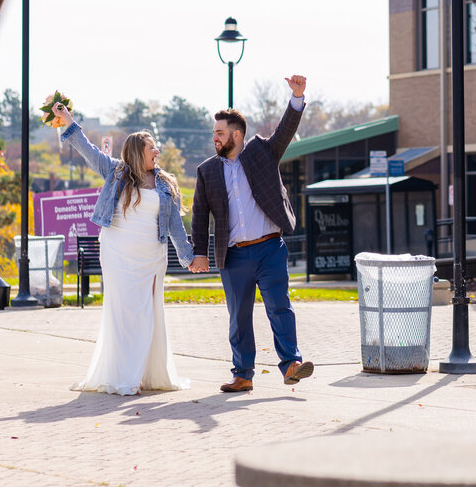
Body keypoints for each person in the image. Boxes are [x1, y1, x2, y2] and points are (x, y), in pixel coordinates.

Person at [55, 102, 194, 395]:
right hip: (117, 254)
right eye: (151, 147)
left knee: (147, 314)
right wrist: (68, 120)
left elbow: (175, 227)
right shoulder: (116, 172)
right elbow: (88, 150)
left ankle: (145, 374)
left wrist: (188, 257)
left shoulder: (166, 184)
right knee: (123, 314)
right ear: (136, 151)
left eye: (156, 147)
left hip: (151, 257)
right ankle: (124, 375)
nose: (157, 152)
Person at [189, 75, 313, 393]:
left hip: (270, 248)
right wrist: (199, 252)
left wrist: (297, 97)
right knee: (239, 317)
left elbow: (285, 131)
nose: (214, 138)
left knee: (279, 307)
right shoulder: (207, 171)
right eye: (213, 133)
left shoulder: (261, 152)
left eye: (219, 133)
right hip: (234, 256)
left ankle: (291, 365)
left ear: (237, 134)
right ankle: (242, 374)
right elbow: (200, 214)